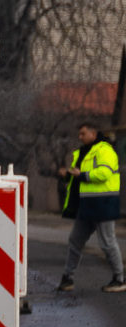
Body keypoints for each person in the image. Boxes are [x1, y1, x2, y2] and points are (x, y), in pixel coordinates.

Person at [55, 120, 124, 292]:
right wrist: (67, 175)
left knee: (107, 242)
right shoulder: (82, 153)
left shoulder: (105, 150)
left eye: (83, 133)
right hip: (87, 205)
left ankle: (120, 278)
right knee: (75, 240)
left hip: (103, 203)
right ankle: (67, 278)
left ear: (93, 134)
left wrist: (82, 174)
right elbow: (78, 178)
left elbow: (104, 173)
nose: (80, 137)